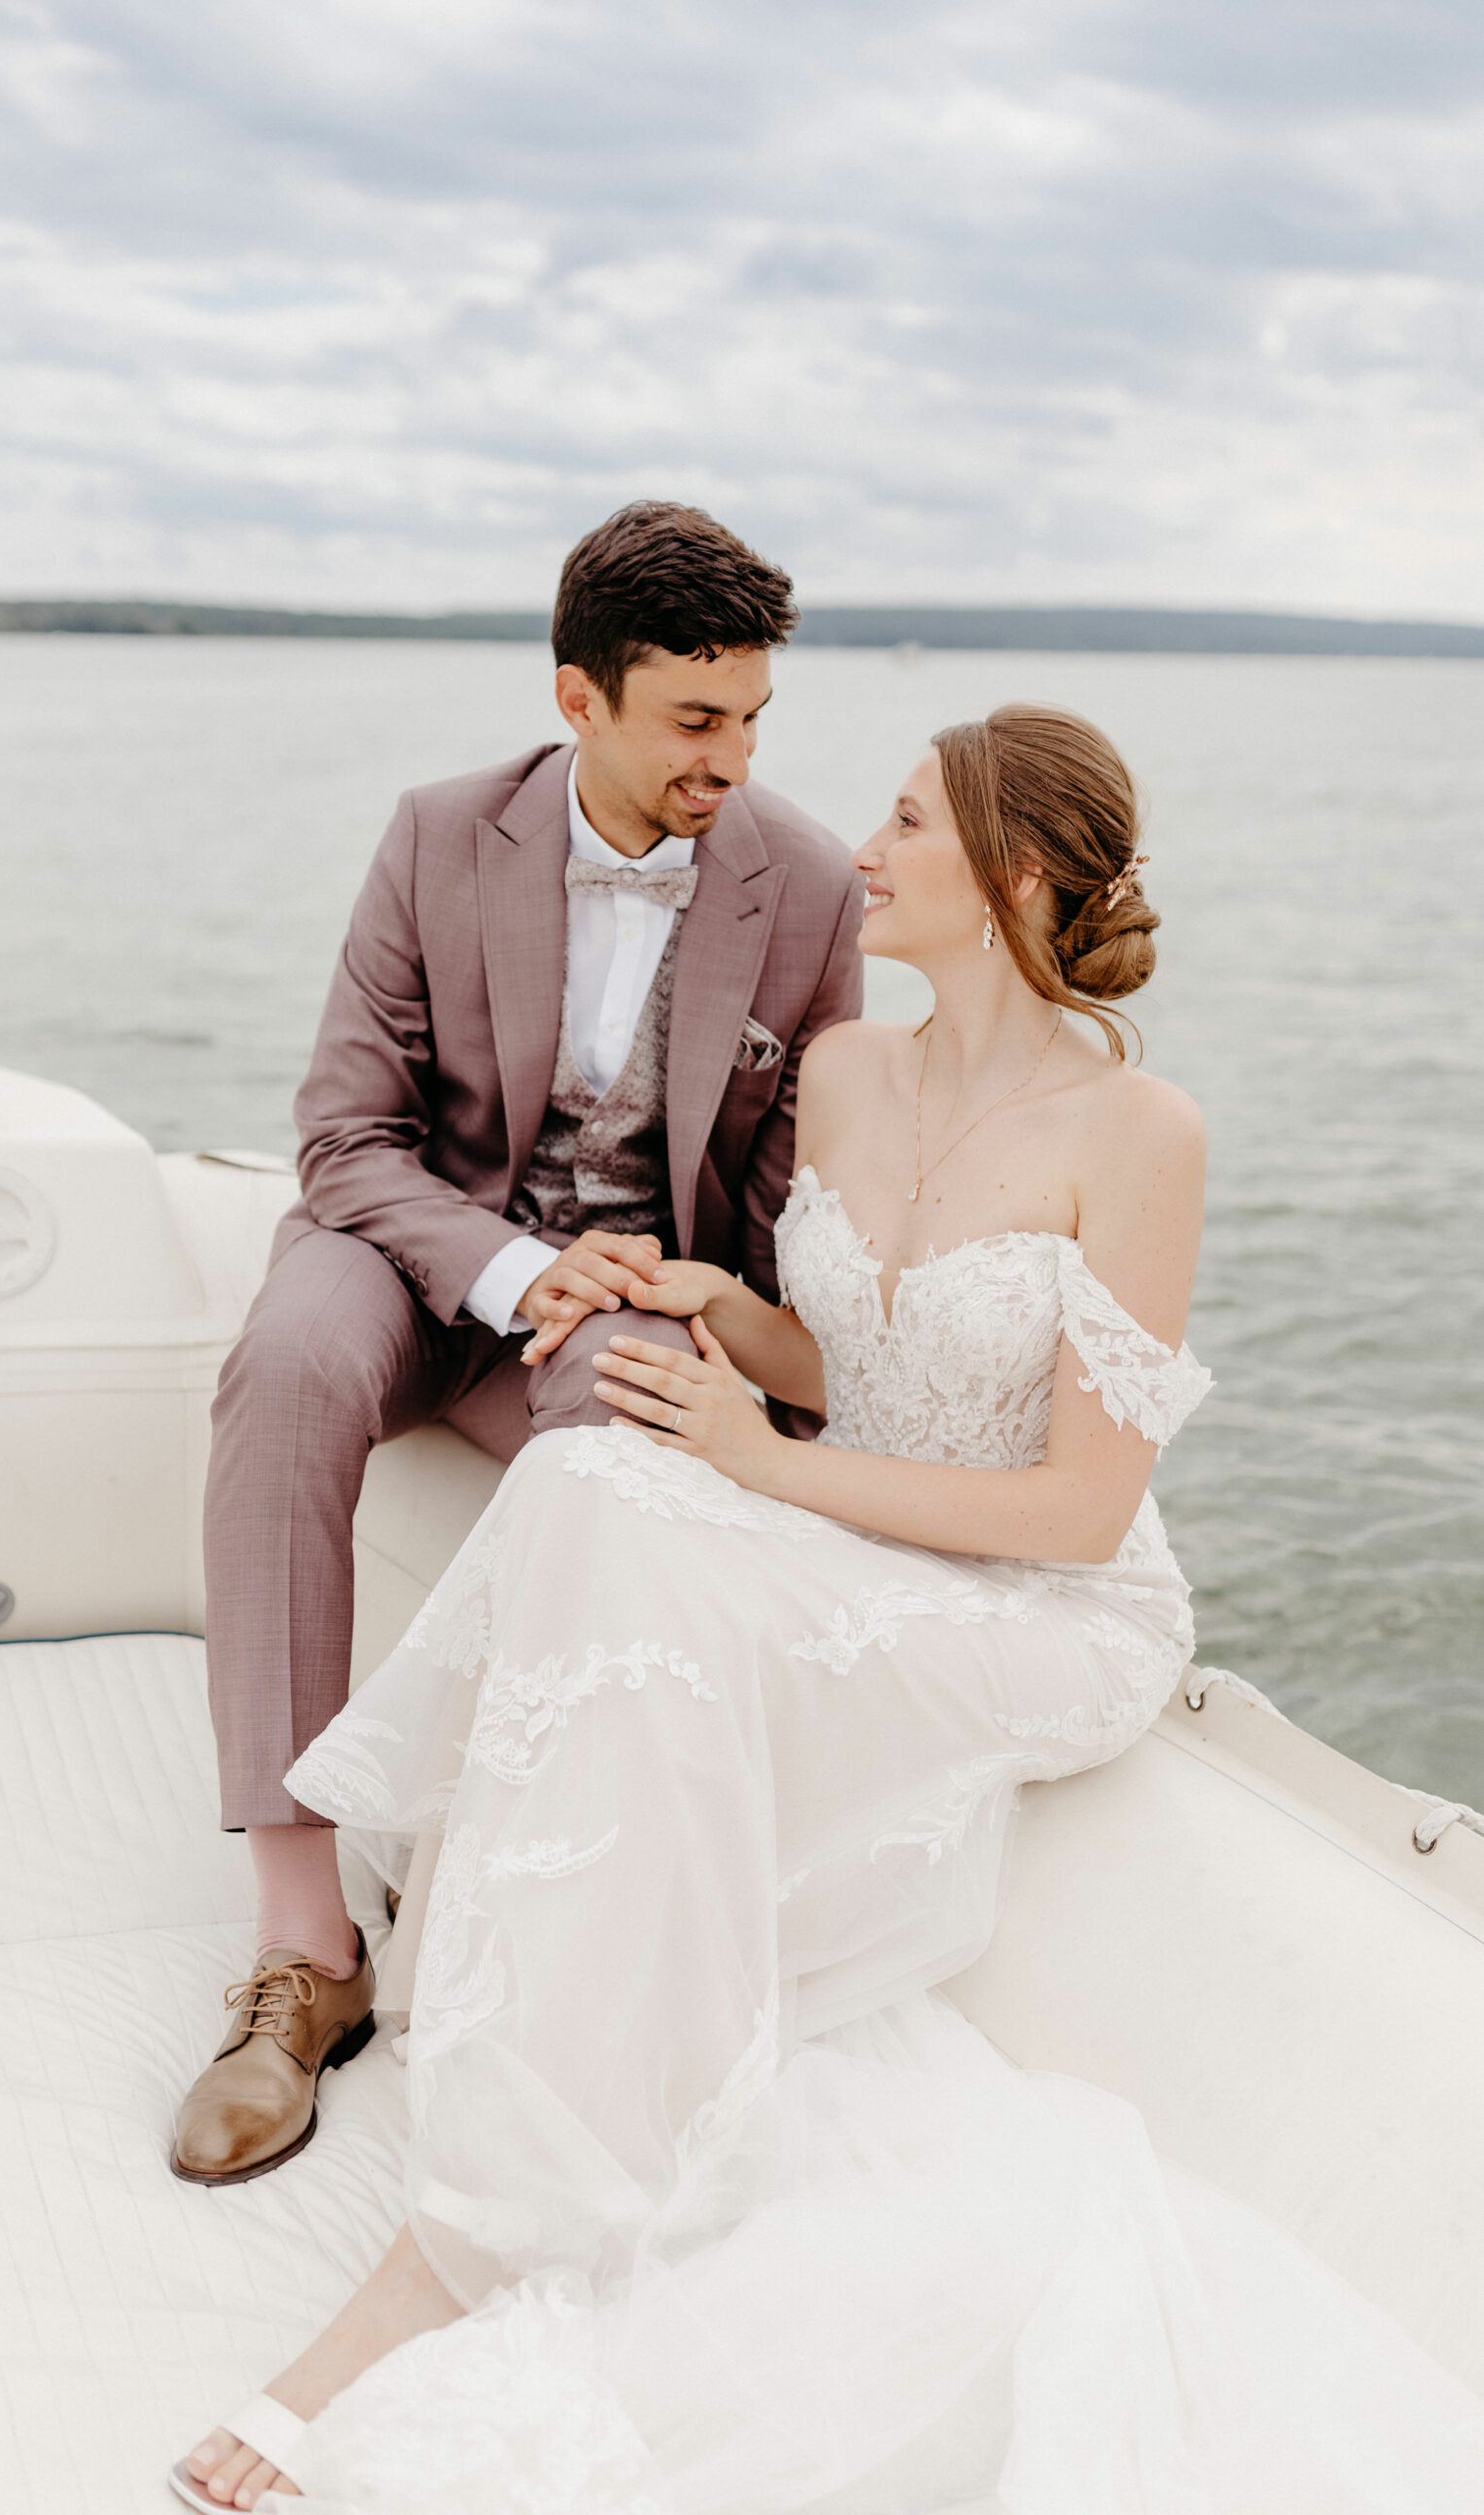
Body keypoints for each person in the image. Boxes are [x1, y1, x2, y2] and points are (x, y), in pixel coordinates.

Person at [173, 701, 1484, 2512]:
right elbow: (849, 1359)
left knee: (645, 1522)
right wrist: (708, 1300)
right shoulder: (853, 1073)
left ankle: (459, 2247)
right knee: (588, 1480)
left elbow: (1081, 1507)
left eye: (905, 822)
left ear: (1013, 874)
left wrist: (758, 1461)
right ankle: (445, 1948)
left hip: (1042, 1608)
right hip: (871, 1522)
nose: (858, 850)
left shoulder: (1142, 1131)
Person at [172, 503, 864, 2189]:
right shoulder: (433, 835)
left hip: (632, 1295)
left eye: (755, 717)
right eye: (695, 720)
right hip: (413, 1253)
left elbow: (777, 1225)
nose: (734, 758)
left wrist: (704, 1342)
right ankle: (303, 1946)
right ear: (579, 698)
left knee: (622, 1472)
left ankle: (516, 1897)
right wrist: (499, 1272)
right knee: (282, 1375)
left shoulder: (809, 885)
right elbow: (344, 1137)